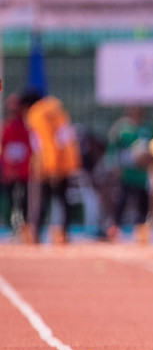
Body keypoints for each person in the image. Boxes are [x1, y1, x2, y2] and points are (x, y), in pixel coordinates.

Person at [22, 89, 81, 244]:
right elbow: (66, 139)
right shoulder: (58, 111)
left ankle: (35, 234)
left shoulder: (37, 113)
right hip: (66, 163)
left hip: (48, 166)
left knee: (40, 200)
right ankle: (64, 233)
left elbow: (47, 141)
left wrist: (52, 168)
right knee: (63, 201)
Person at [105, 106, 153, 243]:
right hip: (126, 173)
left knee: (142, 203)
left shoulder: (147, 129)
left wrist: (150, 158)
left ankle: (141, 231)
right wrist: (115, 167)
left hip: (141, 175)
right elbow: (113, 148)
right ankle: (114, 229)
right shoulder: (122, 129)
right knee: (121, 201)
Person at [2, 93, 31, 238]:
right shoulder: (6, 127)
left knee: (24, 198)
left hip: (24, 171)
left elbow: (29, 148)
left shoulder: (26, 126)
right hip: (10, 171)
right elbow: (4, 149)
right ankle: (11, 226)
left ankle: (25, 227)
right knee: (11, 199)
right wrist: (7, 169)